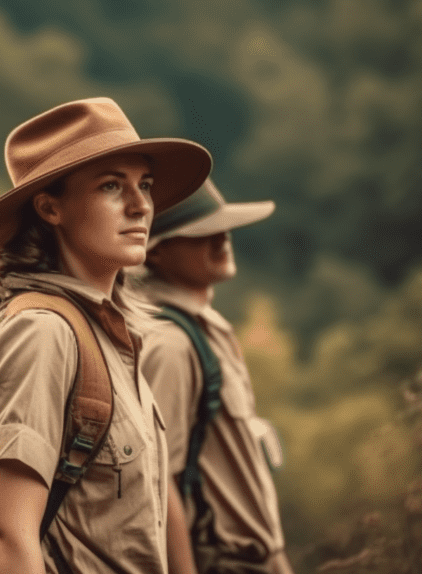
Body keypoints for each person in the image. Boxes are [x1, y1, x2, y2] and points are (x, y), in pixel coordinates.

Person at [0, 97, 212, 574]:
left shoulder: (110, 335)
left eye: (145, 184)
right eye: (112, 186)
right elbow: (2, 535)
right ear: (50, 208)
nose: (141, 205)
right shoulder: (40, 334)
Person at [137, 179, 293, 574]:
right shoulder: (170, 344)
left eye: (223, 227)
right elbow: (159, 482)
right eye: (201, 232)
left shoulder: (206, 327)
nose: (222, 238)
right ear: (155, 253)